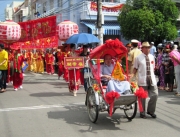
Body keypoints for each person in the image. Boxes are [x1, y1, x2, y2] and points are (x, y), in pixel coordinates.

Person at [133, 42, 158, 119]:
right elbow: (135, 69)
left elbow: (153, 68)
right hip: (142, 79)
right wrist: (132, 78)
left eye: (149, 48)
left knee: (155, 95)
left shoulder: (152, 57)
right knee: (142, 97)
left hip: (151, 79)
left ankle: (151, 111)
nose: (148, 49)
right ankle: (142, 112)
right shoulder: (138, 58)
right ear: (142, 49)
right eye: (146, 48)